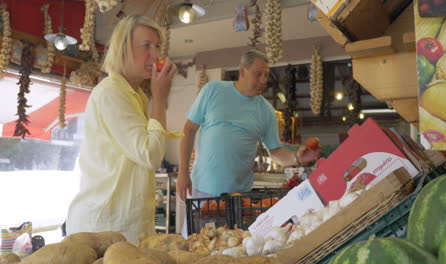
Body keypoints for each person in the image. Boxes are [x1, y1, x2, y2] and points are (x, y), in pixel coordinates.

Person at [66, 15, 178, 244]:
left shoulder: (133, 94)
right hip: (104, 225)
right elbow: (151, 155)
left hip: (121, 223)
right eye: (146, 46)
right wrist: (159, 98)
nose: (155, 55)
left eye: (156, 46)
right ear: (124, 49)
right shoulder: (111, 92)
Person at [177, 50, 321, 201]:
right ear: (242, 71)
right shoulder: (213, 90)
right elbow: (189, 130)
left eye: (266, 75)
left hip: (239, 196)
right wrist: (183, 173)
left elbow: (276, 152)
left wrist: (296, 157)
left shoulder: (266, 111)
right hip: (201, 190)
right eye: (258, 74)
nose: (263, 80)